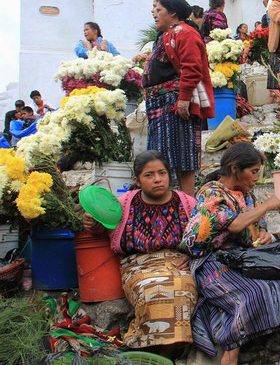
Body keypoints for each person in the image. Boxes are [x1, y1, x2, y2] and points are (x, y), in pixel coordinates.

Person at [180, 143, 280, 365]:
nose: (255, 178)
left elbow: (258, 224)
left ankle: (232, 340)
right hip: (212, 262)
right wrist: (268, 205)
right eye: (253, 172)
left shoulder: (247, 195)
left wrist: (263, 234)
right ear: (235, 168)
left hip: (241, 259)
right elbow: (233, 225)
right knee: (250, 294)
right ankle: (230, 355)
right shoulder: (211, 193)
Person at [82, 150, 198, 359]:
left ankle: (166, 351)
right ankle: (153, 347)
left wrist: (192, 256)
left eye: (162, 173)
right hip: (138, 267)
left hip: (176, 263)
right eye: (149, 175)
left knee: (183, 287)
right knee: (152, 290)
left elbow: (202, 235)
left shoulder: (186, 202)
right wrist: (94, 224)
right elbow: (104, 227)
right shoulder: (124, 203)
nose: (157, 180)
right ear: (137, 180)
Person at [144, 0, 215, 196]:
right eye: (154, 9)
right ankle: (168, 200)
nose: (154, 13)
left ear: (173, 13)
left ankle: (188, 201)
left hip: (174, 102)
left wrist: (183, 98)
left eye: (159, 10)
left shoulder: (184, 33)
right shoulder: (168, 35)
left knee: (184, 154)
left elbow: (192, 68)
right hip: (160, 103)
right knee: (162, 155)